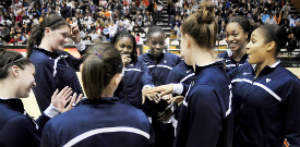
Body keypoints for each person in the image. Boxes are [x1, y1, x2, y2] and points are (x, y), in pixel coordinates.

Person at [143, 2, 232, 147]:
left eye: (180, 41)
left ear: (188, 40)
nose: (180, 48)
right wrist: (177, 88)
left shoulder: (205, 91)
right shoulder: (217, 72)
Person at [41, 43, 154, 147]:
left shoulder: (56, 127)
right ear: (117, 79)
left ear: (83, 72)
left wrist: (65, 120)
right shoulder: (141, 121)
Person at [229, 24, 300, 147]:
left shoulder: (289, 83)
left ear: (270, 45)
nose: (248, 46)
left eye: (253, 41)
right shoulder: (242, 70)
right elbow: (216, 83)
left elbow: (295, 136)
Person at [0, 49, 82, 147]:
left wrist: (53, 109)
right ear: (16, 71)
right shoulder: (16, 121)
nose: (35, 83)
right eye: (33, 75)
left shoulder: (8, 110)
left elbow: (31, 130)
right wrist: (64, 124)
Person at [26, 14, 86, 112]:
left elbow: (91, 64)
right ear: (48, 31)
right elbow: (46, 106)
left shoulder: (62, 54)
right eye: (64, 35)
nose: (67, 40)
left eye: (68, 36)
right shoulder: (40, 62)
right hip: (66, 122)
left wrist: (79, 44)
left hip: (77, 115)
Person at [139, 26, 181, 147]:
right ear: (147, 42)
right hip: (146, 116)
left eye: (161, 43)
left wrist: (171, 110)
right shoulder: (140, 61)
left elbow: (179, 87)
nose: (158, 46)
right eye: (154, 43)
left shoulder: (174, 59)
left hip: (167, 114)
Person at [110, 31, 153, 109]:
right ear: (114, 46)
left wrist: (147, 87)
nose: (126, 50)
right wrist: (120, 66)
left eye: (129, 47)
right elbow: (107, 85)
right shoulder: (108, 64)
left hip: (136, 110)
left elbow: (147, 79)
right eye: (122, 46)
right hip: (114, 110)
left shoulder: (140, 64)